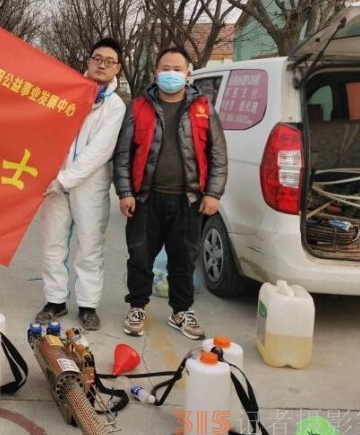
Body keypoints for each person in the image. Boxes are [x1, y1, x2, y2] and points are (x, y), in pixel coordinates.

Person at [113, 47, 227, 339]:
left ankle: (181, 311)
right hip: (145, 198)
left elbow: (218, 155)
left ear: (188, 74)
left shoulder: (203, 107)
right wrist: (125, 193)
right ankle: (137, 306)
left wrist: (213, 194)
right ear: (156, 72)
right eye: (166, 68)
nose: (171, 74)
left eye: (178, 69)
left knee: (184, 259)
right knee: (139, 256)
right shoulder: (139, 107)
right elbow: (123, 154)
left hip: (189, 200)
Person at [35, 37, 127, 331]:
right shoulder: (68, 92)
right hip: (54, 182)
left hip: (90, 184)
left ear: (118, 69)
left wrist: (65, 179)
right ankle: (55, 301)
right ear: (88, 61)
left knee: (89, 246)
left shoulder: (115, 107)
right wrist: (51, 176)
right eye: (97, 58)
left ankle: (88, 306)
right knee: (53, 243)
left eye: (109, 61)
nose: (102, 65)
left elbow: (100, 151)